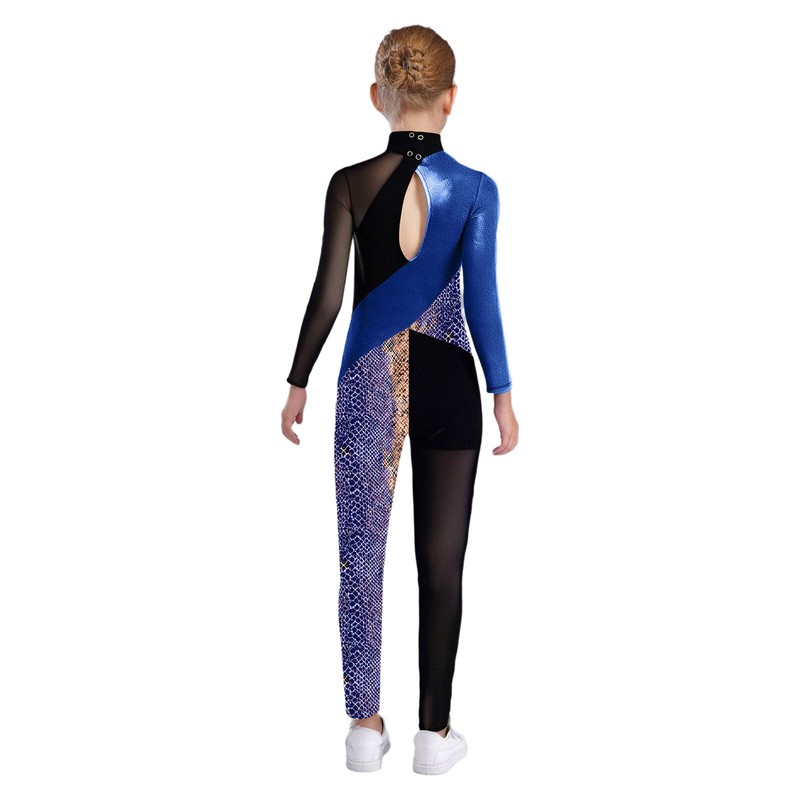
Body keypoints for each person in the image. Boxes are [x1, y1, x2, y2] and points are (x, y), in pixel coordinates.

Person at [281, 24, 519, 774]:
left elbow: (327, 295)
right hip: (450, 374)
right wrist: (502, 392)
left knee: (360, 555)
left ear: (376, 97)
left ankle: (364, 726)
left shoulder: (349, 184)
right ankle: (433, 735)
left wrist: (297, 379)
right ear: (451, 99)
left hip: (365, 377)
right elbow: (481, 301)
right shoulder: (476, 190)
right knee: (441, 563)